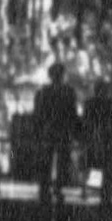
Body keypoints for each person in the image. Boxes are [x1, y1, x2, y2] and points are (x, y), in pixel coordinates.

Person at [34, 61, 79, 206]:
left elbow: (38, 113)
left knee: (46, 161)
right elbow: (73, 113)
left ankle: (44, 188)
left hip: (48, 130)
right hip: (63, 131)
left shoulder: (43, 91)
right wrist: (74, 131)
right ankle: (58, 188)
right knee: (62, 162)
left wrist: (39, 130)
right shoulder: (69, 92)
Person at [82, 80, 112, 205]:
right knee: (105, 165)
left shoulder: (89, 103)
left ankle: (88, 189)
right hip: (106, 137)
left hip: (93, 136)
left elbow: (86, 120)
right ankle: (105, 192)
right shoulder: (110, 104)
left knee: (91, 163)